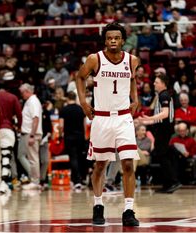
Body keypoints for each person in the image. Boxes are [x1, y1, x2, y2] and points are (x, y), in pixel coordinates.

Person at [75, 22, 140, 226]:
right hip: (101, 117)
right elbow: (79, 77)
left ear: (122, 40)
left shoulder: (132, 60)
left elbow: (132, 79)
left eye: (117, 38)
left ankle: (128, 210)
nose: (113, 41)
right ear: (105, 40)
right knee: (100, 164)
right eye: (109, 38)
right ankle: (98, 204)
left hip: (123, 118)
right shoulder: (95, 59)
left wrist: (135, 98)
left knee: (128, 163)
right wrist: (84, 102)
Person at [138, 73, 180, 193]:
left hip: (164, 129)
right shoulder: (162, 95)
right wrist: (147, 121)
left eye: (156, 82)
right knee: (162, 154)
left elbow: (165, 114)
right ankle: (167, 184)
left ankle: (174, 181)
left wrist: (148, 119)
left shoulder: (164, 95)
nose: (154, 84)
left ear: (163, 83)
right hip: (163, 128)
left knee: (161, 154)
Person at [0, 84, 22, 194]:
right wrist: (19, 127)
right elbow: (19, 114)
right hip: (8, 129)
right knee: (6, 157)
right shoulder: (13, 97)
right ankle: (4, 183)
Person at [59, 91, 86, 191]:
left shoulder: (64, 110)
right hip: (80, 137)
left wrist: (61, 134)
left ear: (67, 98)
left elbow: (61, 125)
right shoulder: (80, 109)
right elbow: (84, 124)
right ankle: (81, 179)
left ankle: (76, 181)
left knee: (73, 158)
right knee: (80, 158)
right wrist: (84, 136)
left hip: (69, 137)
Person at [18, 83, 43, 190]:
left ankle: (35, 181)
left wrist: (32, 135)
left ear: (27, 91)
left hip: (31, 133)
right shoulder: (30, 101)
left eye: (22, 93)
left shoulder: (33, 101)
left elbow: (35, 119)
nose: (21, 95)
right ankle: (34, 179)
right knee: (30, 157)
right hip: (28, 133)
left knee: (33, 158)